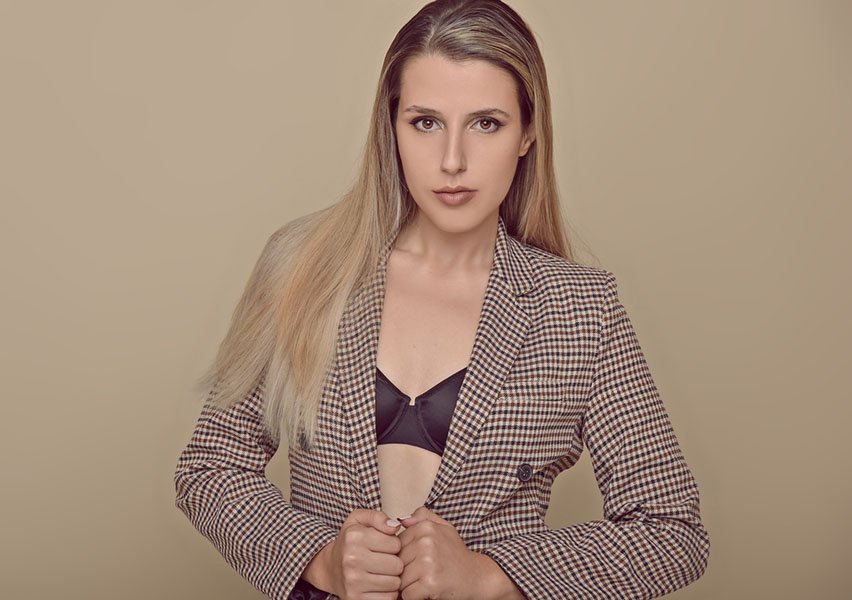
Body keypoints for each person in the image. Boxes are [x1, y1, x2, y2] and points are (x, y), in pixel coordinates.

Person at [174, 1, 710, 598]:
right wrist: (320, 559)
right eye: (426, 122)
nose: (452, 161)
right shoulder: (303, 268)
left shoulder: (580, 309)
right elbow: (210, 467)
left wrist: (489, 575)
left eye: (486, 124)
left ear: (528, 132)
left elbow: (671, 531)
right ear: (392, 127)